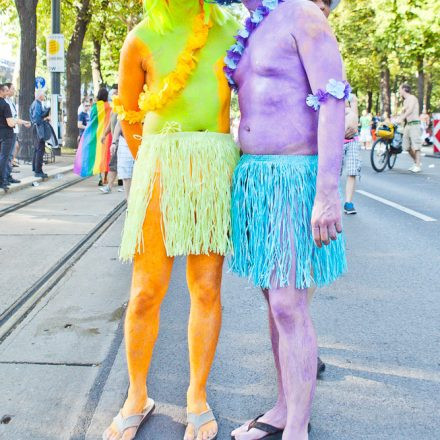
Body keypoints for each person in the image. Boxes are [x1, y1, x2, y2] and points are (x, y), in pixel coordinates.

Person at [102, 2, 239, 440]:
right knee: (145, 292)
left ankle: (197, 395)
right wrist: (158, 166)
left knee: (205, 288)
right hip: (161, 165)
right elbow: (129, 114)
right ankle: (136, 395)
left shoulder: (233, 28)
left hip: (214, 165)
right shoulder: (140, 37)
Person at [220, 0, 347, 439]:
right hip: (255, 180)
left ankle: (297, 427)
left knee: (289, 305)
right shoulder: (251, 25)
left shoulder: (302, 14)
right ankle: (282, 408)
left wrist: (328, 190)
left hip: (296, 177)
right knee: (275, 306)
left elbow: (333, 98)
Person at [4, 83, 30, 184]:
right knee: (7, 155)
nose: (14, 91)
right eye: (12, 89)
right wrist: (23, 122)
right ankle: (5, 176)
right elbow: (11, 119)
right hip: (9, 131)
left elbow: (14, 116)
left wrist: (23, 122)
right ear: (7, 90)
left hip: (14, 130)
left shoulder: (11, 101)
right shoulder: (5, 102)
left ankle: (7, 174)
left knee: (11, 153)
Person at [399, 83, 422, 173]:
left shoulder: (412, 98)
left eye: (400, 89)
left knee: (416, 145)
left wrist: (402, 117)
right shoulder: (405, 101)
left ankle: (418, 165)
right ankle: (416, 162)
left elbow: (410, 110)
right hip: (408, 125)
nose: (399, 91)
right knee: (406, 146)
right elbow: (404, 111)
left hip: (415, 124)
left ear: (404, 89)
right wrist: (398, 118)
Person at [29, 88, 50, 178]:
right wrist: (45, 117)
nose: (44, 96)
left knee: (37, 149)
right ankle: (38, 171)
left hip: (36, 128)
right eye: (43, 94)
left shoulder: (36, 103)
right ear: (39, 95)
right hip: (38, 129)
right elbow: (37, 119)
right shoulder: (37, 104)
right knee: (40, 150)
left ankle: (36, 169)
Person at [0, 84, 17, 191]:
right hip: (6, 135)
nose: (8, 92)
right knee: (4, 158)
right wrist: (15, 122)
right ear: (1, 91)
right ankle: (2, 181)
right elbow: (10, 123)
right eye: (6, 90)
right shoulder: (5, 104)